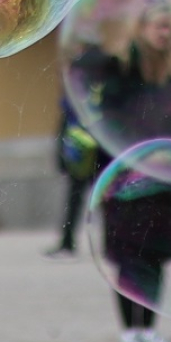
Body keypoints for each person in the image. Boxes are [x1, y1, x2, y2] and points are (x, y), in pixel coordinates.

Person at [87, 0, 171, 342]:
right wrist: (140, 154)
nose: (165, 33)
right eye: (159, 26)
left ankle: (150, 329)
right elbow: (110, 123)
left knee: (154, 257)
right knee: (128, 257)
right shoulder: (121, 69)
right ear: (142, 28)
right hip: (126, 181)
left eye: (169, 26)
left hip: (165, 181)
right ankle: (129, 331)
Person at [45, 95, 101, 258]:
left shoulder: (84, 91)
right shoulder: (72, 97)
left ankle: (110, 243)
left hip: (97, 153)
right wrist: (61, 156)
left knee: (104, 198)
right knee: (75, 198)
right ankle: (67, 241)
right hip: (79, 154)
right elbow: (64, 127)